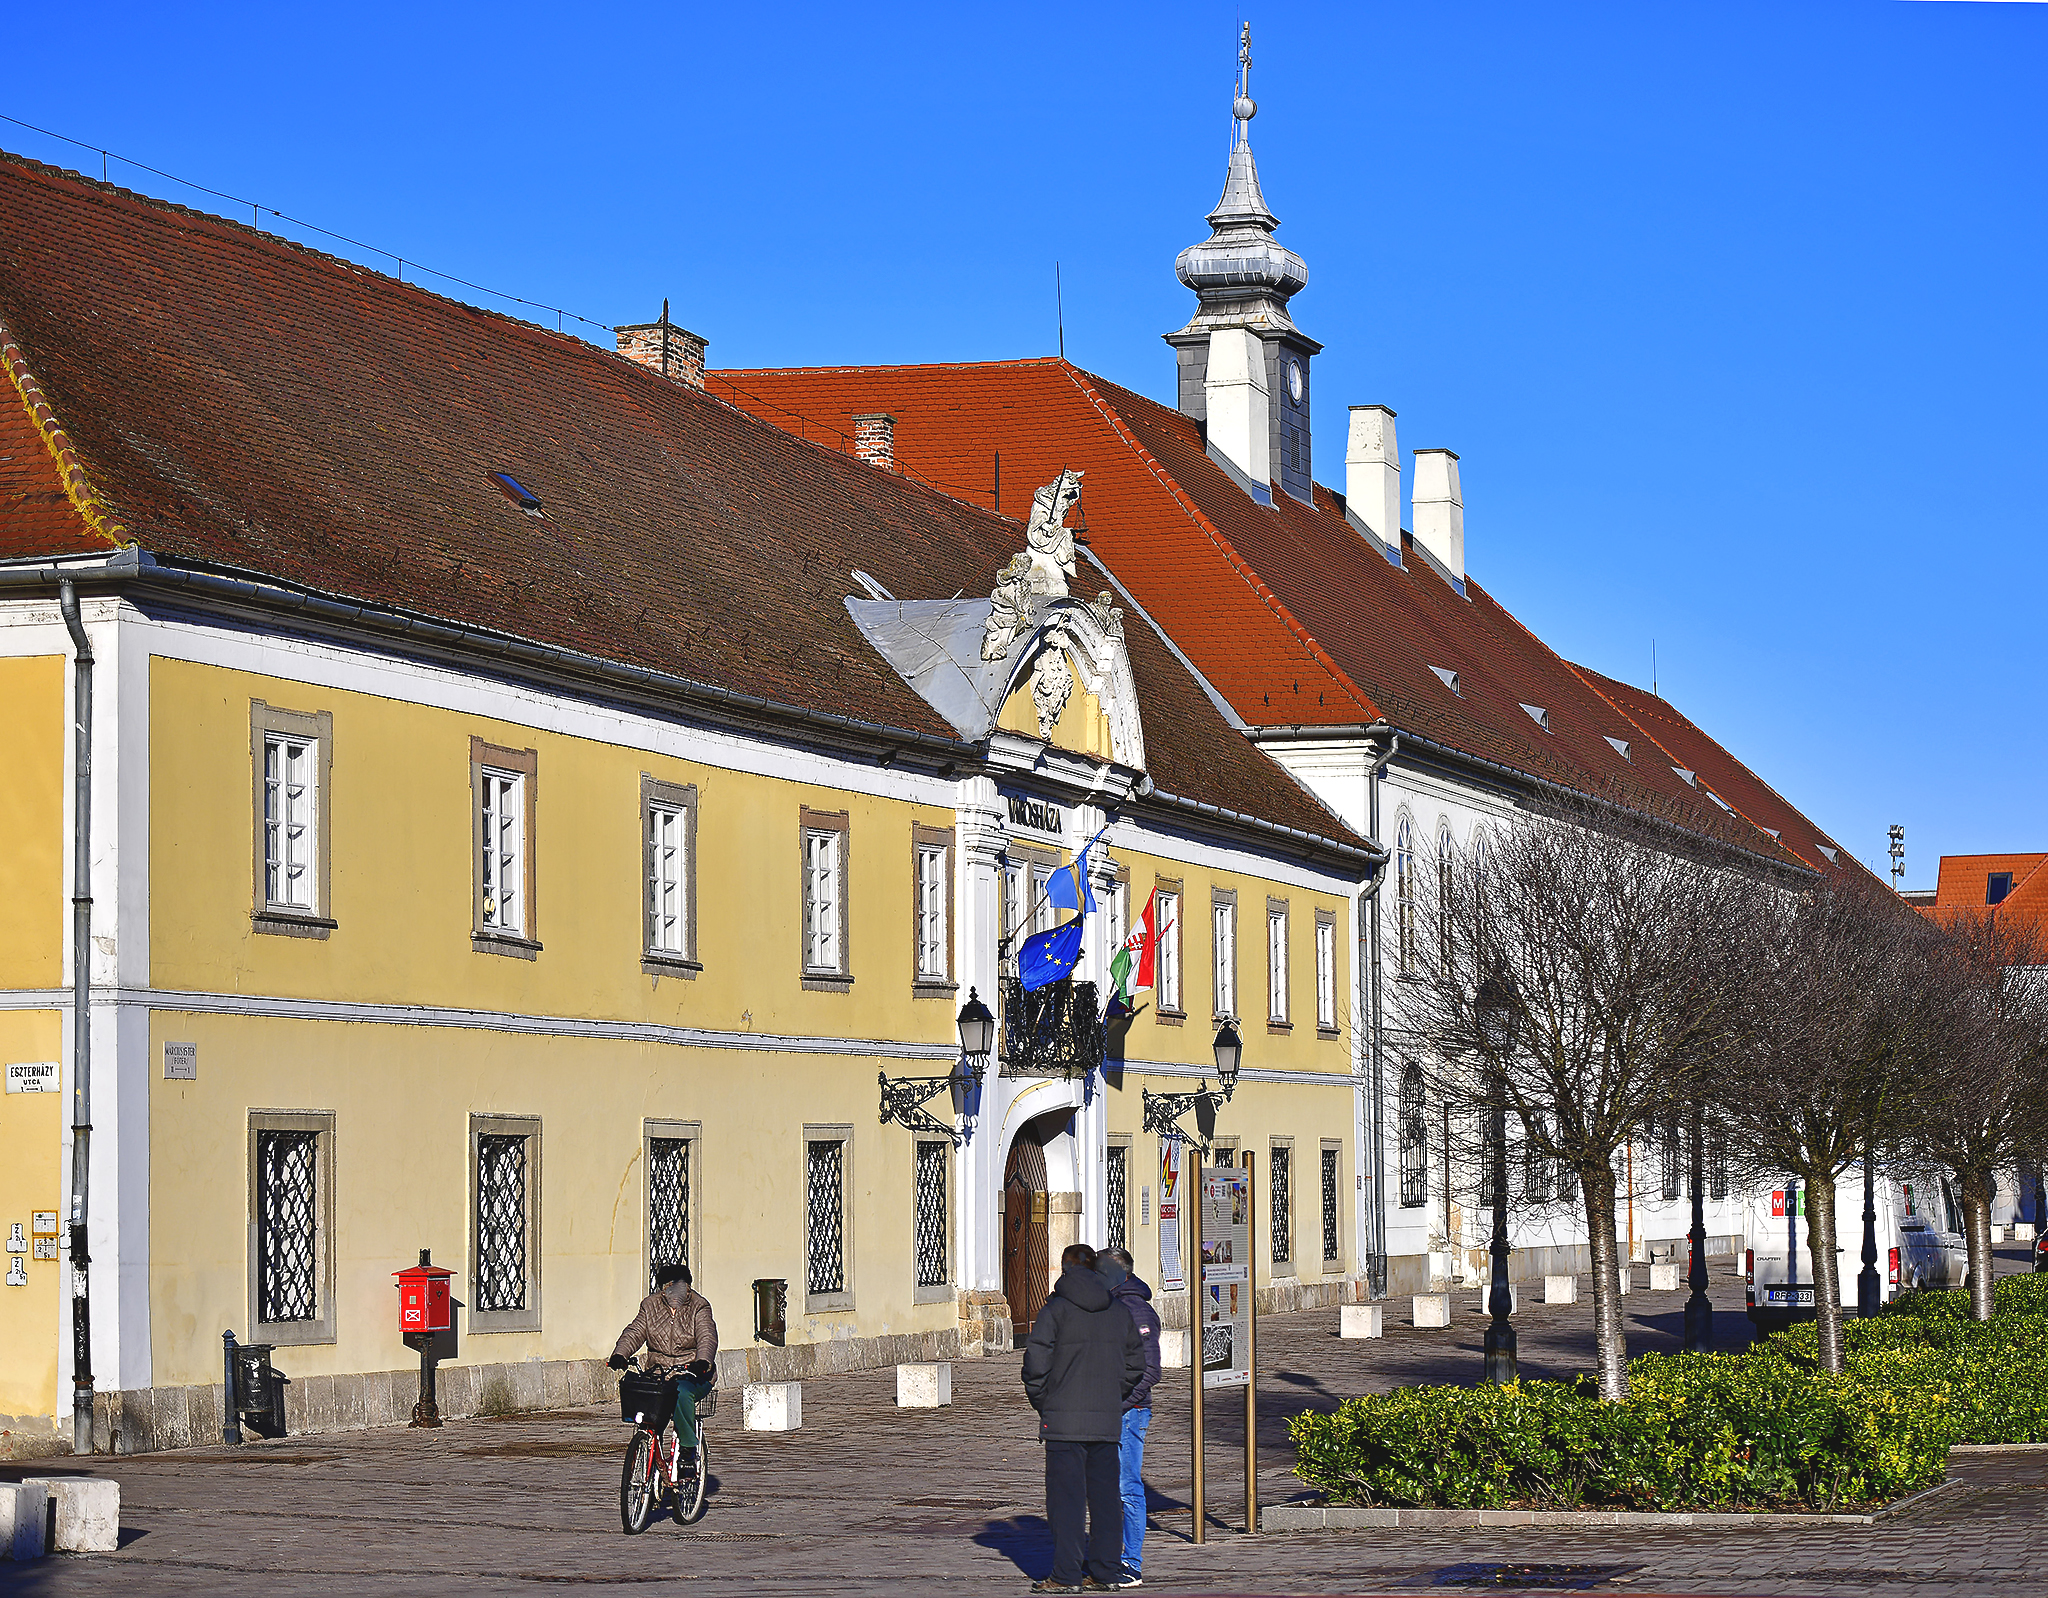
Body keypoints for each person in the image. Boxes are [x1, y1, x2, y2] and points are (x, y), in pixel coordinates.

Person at [1022, 1242, 1146, 1594]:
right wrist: (1111, 1394)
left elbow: (1035, 1365)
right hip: (1105, 1420)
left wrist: (1045, 1401)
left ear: (1064, 1267)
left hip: (1063, 1422)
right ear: (1095, 1268)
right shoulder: (1118, 1310)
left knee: (1066, 1502)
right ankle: (1106, 1571)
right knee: (1106, 1499)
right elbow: (1136, 1365)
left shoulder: (1055, 1310)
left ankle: (1066, 1574)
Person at [608, 1263, 719, 1460]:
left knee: (680, 1392)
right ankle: (647, 1453)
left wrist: (702, 1361)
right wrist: (620, 1355)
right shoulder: (650, 1305)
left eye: (679, 1285)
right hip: (658, 1373)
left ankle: (687, 1448)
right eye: (669, 1285)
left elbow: (707, 1337)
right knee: (641, 1395)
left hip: (692, 1373)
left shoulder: (699, 1306)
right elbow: (634, 1332)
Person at [1099, 1247, 1160, 1587]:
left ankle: (1131, 1562)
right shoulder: (1108, 1305)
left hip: (1130, 1412)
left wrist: (1122, 1404)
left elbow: (1150, 1371)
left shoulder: (1136, 1310)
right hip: (1108, 1411)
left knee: (1127, 1487)